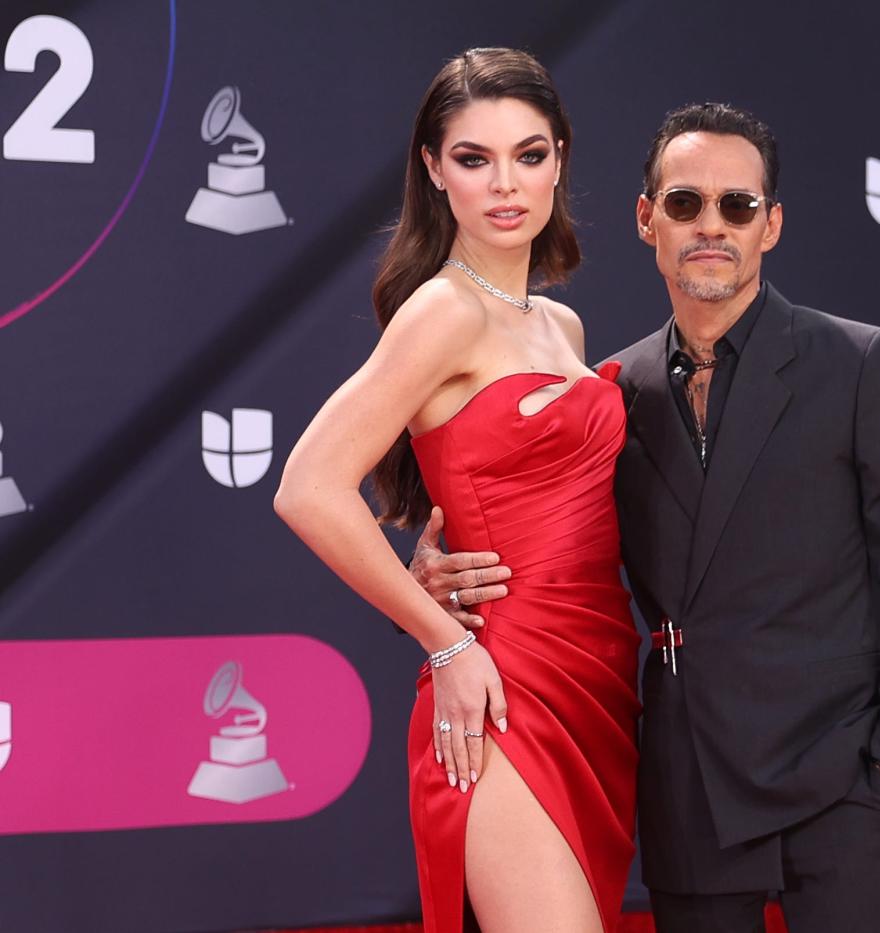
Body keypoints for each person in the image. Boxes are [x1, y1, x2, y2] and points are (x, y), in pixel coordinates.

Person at [411, 102, 880, 933]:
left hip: (842, 776)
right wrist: (438, 583)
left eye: (737, 206)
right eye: (684, 204)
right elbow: (555, 536)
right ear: (646, 219)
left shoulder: (856, 364)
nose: (712, 226)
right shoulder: (612, 390)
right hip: (689, 780)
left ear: (770, 225)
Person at [274, 48, 640, 933]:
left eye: (530, 154)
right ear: (435, 171)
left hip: (597, 676)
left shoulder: (559, 321)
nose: (505, 183)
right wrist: (444, 641)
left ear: (561, 157)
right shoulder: (443, 311)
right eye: (474, 159)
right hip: (502, 687)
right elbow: (308, 486)